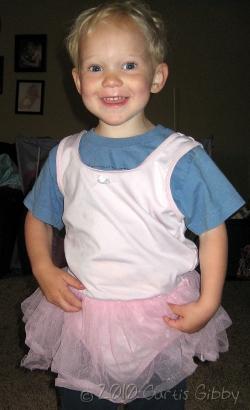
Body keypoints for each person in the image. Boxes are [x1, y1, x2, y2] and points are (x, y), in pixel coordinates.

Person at [21, 1, 245, 409]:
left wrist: (208, 301)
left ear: (157, 76)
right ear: (77, 79)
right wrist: (43, 268)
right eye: (95, 68)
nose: (111, 80)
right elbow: (38, 218)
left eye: (128, 66)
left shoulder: (180, 157)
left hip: (161, 318)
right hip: (84, 312)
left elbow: (213, 230)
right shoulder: (65, 156)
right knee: (81, 398)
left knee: (160, 398)